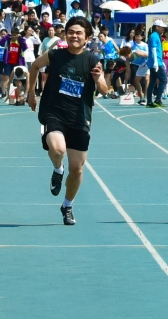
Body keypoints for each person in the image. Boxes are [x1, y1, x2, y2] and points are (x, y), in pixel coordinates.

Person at [26, 17, 108, 225]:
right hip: (54, 112)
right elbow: (35, 66)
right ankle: (57, 169)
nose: (74, 36)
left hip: (79, 118)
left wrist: (97, 79)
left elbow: (104, 90)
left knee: (77, 169)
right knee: (58, 149)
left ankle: (67, 205)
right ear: (65, 35)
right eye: (71, 32)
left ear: (87, 38)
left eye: (79, 33)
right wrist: (31, 93)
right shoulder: (55, 55)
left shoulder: (92, 60)